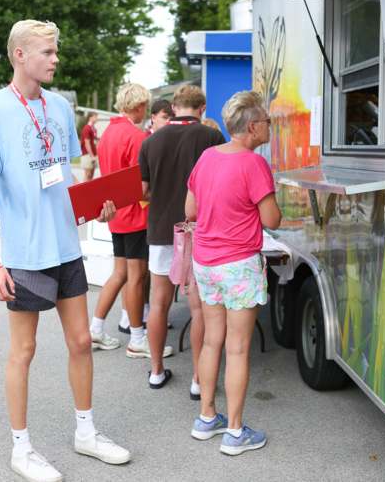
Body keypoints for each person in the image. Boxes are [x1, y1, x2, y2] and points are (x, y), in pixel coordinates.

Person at [0, 19, 129, 482]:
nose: (55, 58)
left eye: (56, 50)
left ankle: (86, 431)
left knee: (81, 342)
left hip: (66, 247)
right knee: (24, 350)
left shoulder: (60, 108)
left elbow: (62, 172)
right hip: (22, 255)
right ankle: (21, 448)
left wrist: (93, 205)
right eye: (46, 51)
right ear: (20, 55)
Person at [186, 90, 281, 455]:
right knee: (238, 349)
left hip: (206, 263)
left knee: (213, 340)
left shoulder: (207, 158)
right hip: (239, 265)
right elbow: (271, 219)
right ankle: (236, 433)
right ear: (254, 127)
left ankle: (207, 417)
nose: (269, 127)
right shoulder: (254, 164)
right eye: (268, 122)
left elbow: (190, 209)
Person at [139, 85, 224, 394]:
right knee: (198, 308)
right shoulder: (212, 138)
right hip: (200, 229)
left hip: (161, 230)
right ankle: (199, 381)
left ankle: (157, 371)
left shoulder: (150, 142)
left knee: (159, 303)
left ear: (174, 107)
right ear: (202, 109)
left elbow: (144, 192)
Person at [89, 83, 172, 360]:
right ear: (138, 106)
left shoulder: (108, 133)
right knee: (136, 278)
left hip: (116, 214)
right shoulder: (136, 137)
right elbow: (143, 184)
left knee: (120, 274)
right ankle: (137, 338)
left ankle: (96, 327)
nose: (146, 111)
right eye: (145, 107)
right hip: (135, 213)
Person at [80, 111, 98, 181]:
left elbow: (95, 142)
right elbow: (87, 143)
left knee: (91, 176)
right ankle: (83, 191)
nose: (97, 118)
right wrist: (92, 156)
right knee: (88, 175)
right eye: (95, 117)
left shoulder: (93, 128)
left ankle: (88, 191)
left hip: (93, 154)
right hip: (88, 155)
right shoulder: (87, 128)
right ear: (90, 118)